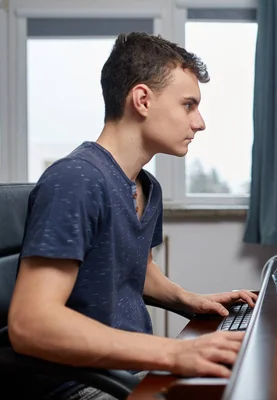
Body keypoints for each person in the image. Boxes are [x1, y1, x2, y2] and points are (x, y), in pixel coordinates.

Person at [7, 32, 258, 400]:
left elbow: (134, 270)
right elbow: (31, 324)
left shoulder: (146, 186)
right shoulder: (76, 180)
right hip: (82, 384)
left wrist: (187, 299)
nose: (200, 122)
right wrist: (174, 352)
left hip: (131, 370)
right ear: (142, 100)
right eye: (188, 105)